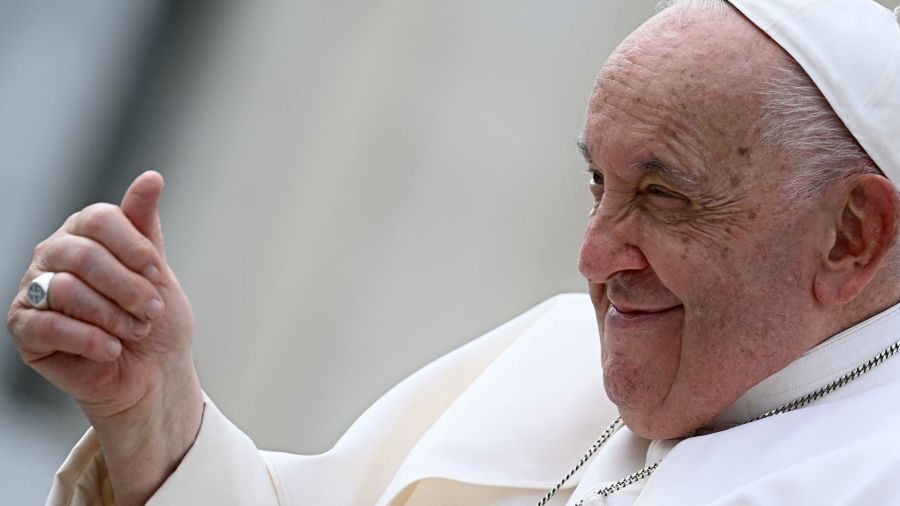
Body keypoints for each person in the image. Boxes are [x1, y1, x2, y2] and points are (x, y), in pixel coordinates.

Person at [7, 0, 900, 504]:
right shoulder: (555, 356)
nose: (594, 258)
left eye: (664, 197)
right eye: (599, 186)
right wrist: (156, 414)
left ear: (851, 235)